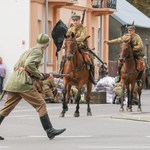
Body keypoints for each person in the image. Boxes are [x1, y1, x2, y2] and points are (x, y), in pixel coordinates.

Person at [0, 33, 66, 140]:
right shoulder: (38, 52)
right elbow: (29, 65)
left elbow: (17, 66)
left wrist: (39, 74)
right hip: (23, 83)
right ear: (47, 45)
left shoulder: (29, 50)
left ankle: (50, 131)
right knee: (41, 104)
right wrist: (39, 75)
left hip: (14, 81)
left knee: (6, 109)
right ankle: (49, 130)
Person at [61, 13, 96, 84]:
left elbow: (83, 37)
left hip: (81, 47)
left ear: (79, 21)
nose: (75, 22)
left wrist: (75, 41)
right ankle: (62, 71)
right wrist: (69, 42)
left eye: (76, 20)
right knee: (63, 58)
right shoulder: (70, 29)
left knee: (88, 59)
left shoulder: (83, 28)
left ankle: (91, 76)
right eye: (74, 20)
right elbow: (67, 37)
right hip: (71, 48)